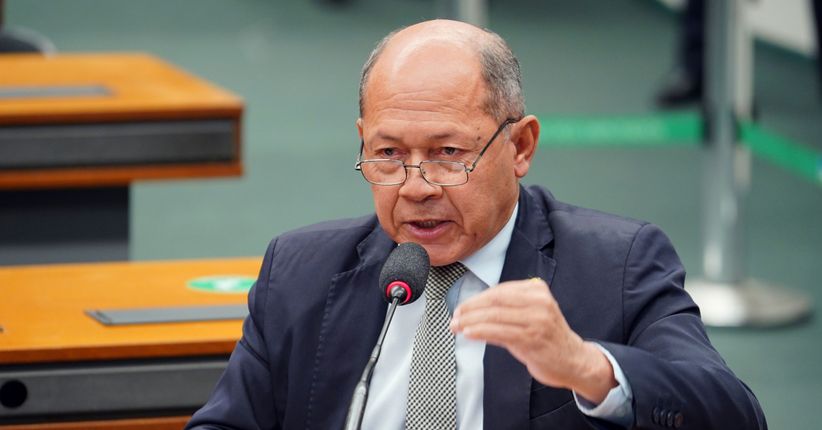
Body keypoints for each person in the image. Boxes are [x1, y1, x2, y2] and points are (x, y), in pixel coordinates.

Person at [187, 19, 767, 429]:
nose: (416, 186)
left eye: (448, 153)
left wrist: (589, 368)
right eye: (388, 154)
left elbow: (735, 415)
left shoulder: (615, 265)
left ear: (520, 146)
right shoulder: (300, 272)